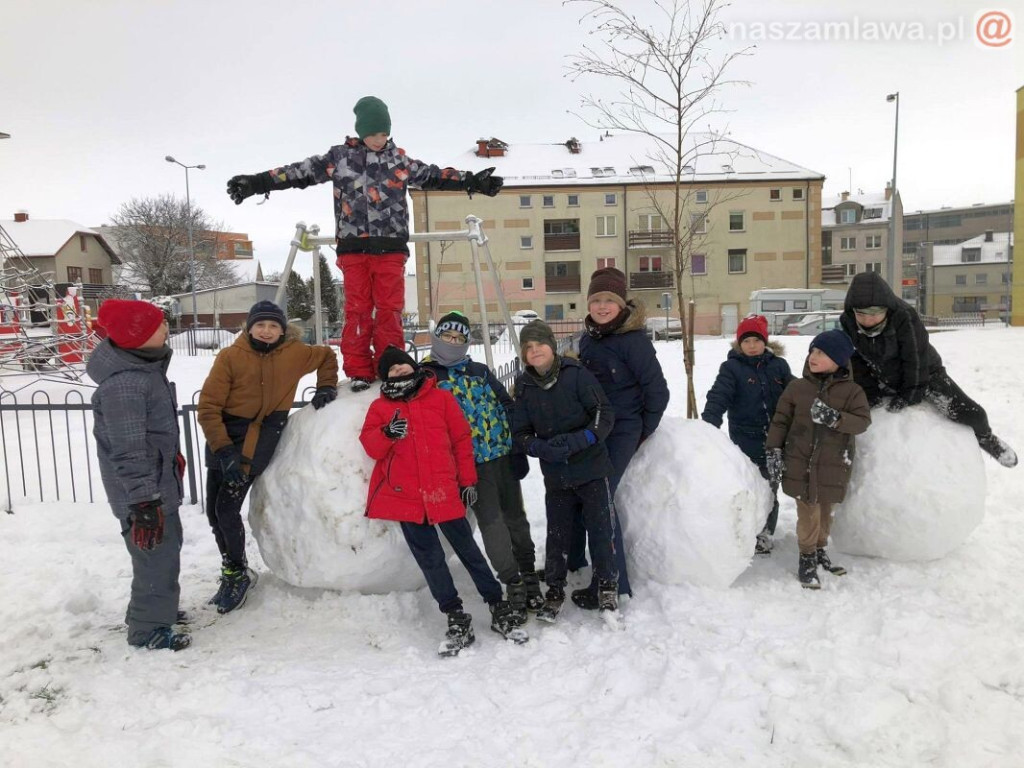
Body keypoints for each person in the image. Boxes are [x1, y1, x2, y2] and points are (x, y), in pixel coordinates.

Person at [225, 96, 504, 392]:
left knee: (389, 310)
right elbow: (298, 172)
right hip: (353, 247)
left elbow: (434, 176)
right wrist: (256, 182)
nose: (378, 139)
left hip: (391, 249)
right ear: (360, 132)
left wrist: (473, 181)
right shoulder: (339, 158)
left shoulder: (399, 161)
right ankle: (358, 369)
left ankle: (390, 366)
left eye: (383, 134)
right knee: (357, 311)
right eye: (372, 134)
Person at [360, 346, 525, 655]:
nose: (399, 372)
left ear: (413, 367)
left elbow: (462, 440)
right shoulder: (381, 408)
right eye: (392, 370)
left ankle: (497, 604)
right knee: (431, 560)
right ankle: (454, 614)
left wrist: (467, 481)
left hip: (443, 492)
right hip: (407, 499)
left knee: (470, 552)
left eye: (402, 366)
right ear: (385, 377)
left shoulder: (440, 398)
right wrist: (387, 433)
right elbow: (372, 446)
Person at [197, 301, 339, 614]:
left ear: (282, 330)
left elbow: (327, 355)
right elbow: (208, 408)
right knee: (214, 512)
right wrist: (223, 450)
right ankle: (236, 567)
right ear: (249, 327)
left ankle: (236, 573)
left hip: (260, 437)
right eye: (260, 325)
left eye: (273, 326)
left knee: (226, 509)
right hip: (223, 435)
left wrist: (326, 385)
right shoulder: (230, 357)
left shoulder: (295, 353)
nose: (266, 331)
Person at [421, 311, 542, 622]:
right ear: (437, 338)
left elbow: (505, 403)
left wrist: (515, 445)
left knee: (516, 516)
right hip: (470, 465)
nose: (453, 343)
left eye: (460, 339)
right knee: (492, 522)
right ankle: (511, 580)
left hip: (501, 454)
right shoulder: (428, 377)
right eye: (447, 337)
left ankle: (527, 571)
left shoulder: (479, 371)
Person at [88, 299, 189, 651]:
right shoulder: (126, 386)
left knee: (165, 552)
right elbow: (128, 451)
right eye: (159, 324)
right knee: (155, 558)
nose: (166, 328)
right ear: (137, 336)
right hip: (143, 495)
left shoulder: (144, 372)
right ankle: (147, 629)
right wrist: (144, 501)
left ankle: (156, 610)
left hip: (157, 487)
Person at [840, 271, 1016, 468]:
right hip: (881, 375)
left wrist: (911, 394)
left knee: (973, 413)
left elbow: (916, 357)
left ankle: (986, 437)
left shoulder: (904, 317)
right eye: (861, 314)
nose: (868, 320)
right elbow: (854, 359)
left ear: (886, 309)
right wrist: (870, 392)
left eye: (875, 313)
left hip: (926, 373)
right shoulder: (847, 322)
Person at [570, 267, 670, 607]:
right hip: (594, 428)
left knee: (600, 499)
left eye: (608, 300)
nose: (600, 306)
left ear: (621, 304)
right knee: (584, 496)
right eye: (595, 300)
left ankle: (615, 584)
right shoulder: (588, 339)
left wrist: (644, 430)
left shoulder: (633, 341)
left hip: (624, 427)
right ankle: (591, 570)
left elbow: (657, 390)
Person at [512, 320, 618, 621]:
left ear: (552, 345)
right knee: (557, 534)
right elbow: (519, 432)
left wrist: (581, 439)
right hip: (556, 474)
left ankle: (607, 586)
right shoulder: (524, 386)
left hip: (591, 468)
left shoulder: (576, 374)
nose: (535, 351)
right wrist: (538, 447)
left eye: (540, 344)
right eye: (528, 348)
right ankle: (555, 590)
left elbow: (603, 413)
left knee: (600, 529)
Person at [765, 330, 871, 589]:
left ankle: (820, 549)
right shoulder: (798, 388)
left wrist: (836, 418)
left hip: (833, 464)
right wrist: (774, 450)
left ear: (838, 360)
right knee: (808, 512)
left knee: (825, 512)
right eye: (812, 351)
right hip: (801, 462)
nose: (813, 356)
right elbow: (781, 421)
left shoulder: (852, 392)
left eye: (821, 353)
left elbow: (862, 422)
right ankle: (807, 557)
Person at [702, 314, 795, 556]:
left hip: (777, 437)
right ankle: (747, 529)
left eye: (756, 340)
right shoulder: (732, 368)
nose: (752, 346)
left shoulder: (779, 366)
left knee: (771, 484)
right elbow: (718, 395)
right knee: (752, 485)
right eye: (746, 341)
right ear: (739, 344)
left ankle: (765, 532)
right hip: (746, 439)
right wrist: (708, 426)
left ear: (765, 341)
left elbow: (795, 393)